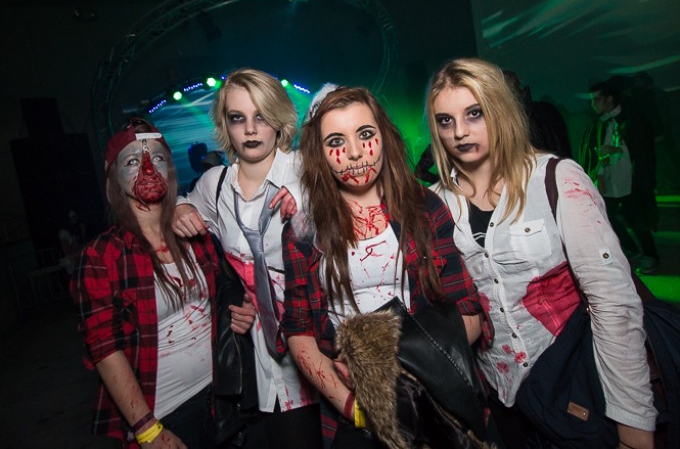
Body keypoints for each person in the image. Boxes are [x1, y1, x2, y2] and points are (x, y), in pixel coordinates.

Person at [426, 57, 656, 449]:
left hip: (577, 382)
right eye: (445, 121)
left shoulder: (555, 178)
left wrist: (634, 424)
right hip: (502, 398)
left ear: (500, 109)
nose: (460, 132)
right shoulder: (435, 204)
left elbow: (613, 302)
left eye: (474, 113)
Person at [281, 86, 492, 448]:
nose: (354, 152)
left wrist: (397, 374)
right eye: (336, 141)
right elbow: (299, 331)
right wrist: (355, 408)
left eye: (365, 134)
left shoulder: (424, 208)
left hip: (435, 403)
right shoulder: (302, 230)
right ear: (320, 153)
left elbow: (469, 311)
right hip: (351, 411)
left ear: (384, 136)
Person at [71, 118, 256, 448]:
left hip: (223, 398)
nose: (147, 167)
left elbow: (223, 296)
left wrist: (240, 312)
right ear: (113, 177)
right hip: (165, 414)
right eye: (132, 161)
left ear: (170, 170)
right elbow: (104, 349)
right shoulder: (102, 256)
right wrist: (147, 429)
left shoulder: (196, 234)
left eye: (157, 157)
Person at [172, 68, 321, 449]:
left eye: (262, 117)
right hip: (263, 349)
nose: (251, 130)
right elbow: (182, 210)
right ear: (225, 125)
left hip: (321, 332)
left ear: (279, 120)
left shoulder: (307, 170)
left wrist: (307, 206)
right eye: (238, 118)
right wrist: (179, 208)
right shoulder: (216, 184)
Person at [579, 80, 659, 273]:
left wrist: (616, 149)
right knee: (605, 214)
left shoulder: (632, 119)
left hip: (631, 179)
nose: (593, 104)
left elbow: (643, 150)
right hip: (610, 179)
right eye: (591, 100)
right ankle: (630, 248)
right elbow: (594, 153)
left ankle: (650, 255)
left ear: (609, 99)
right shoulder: (599, 123)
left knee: (636, 216)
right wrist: (598, 173)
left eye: (597, 99)